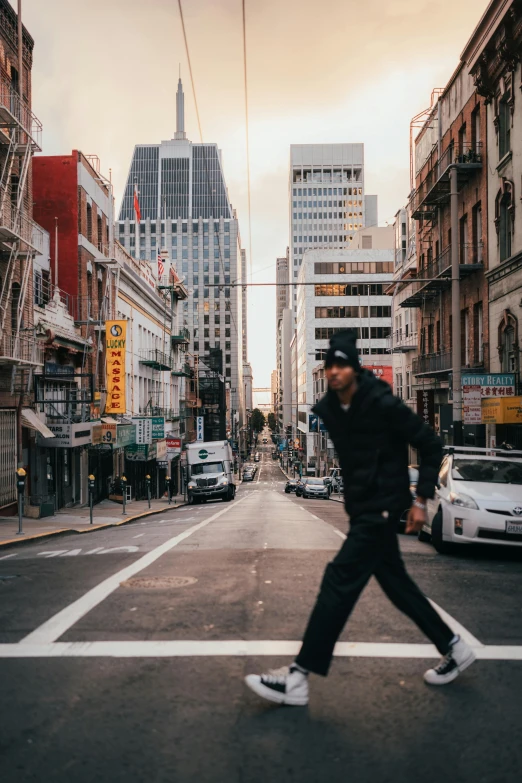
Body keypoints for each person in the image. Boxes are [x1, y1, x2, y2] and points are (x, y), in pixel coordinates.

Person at [245, 330, 476, 706]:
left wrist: (420, 499)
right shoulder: (334, 409)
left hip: (381, 509)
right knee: (399, 587)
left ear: (354, 369)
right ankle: (454, 646)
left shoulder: (382, 404)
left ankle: (299, 677)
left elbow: (431, 445)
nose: (333, 373)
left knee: (338, 583)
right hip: (363, 510)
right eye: (329, 366)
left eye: (341, 365)